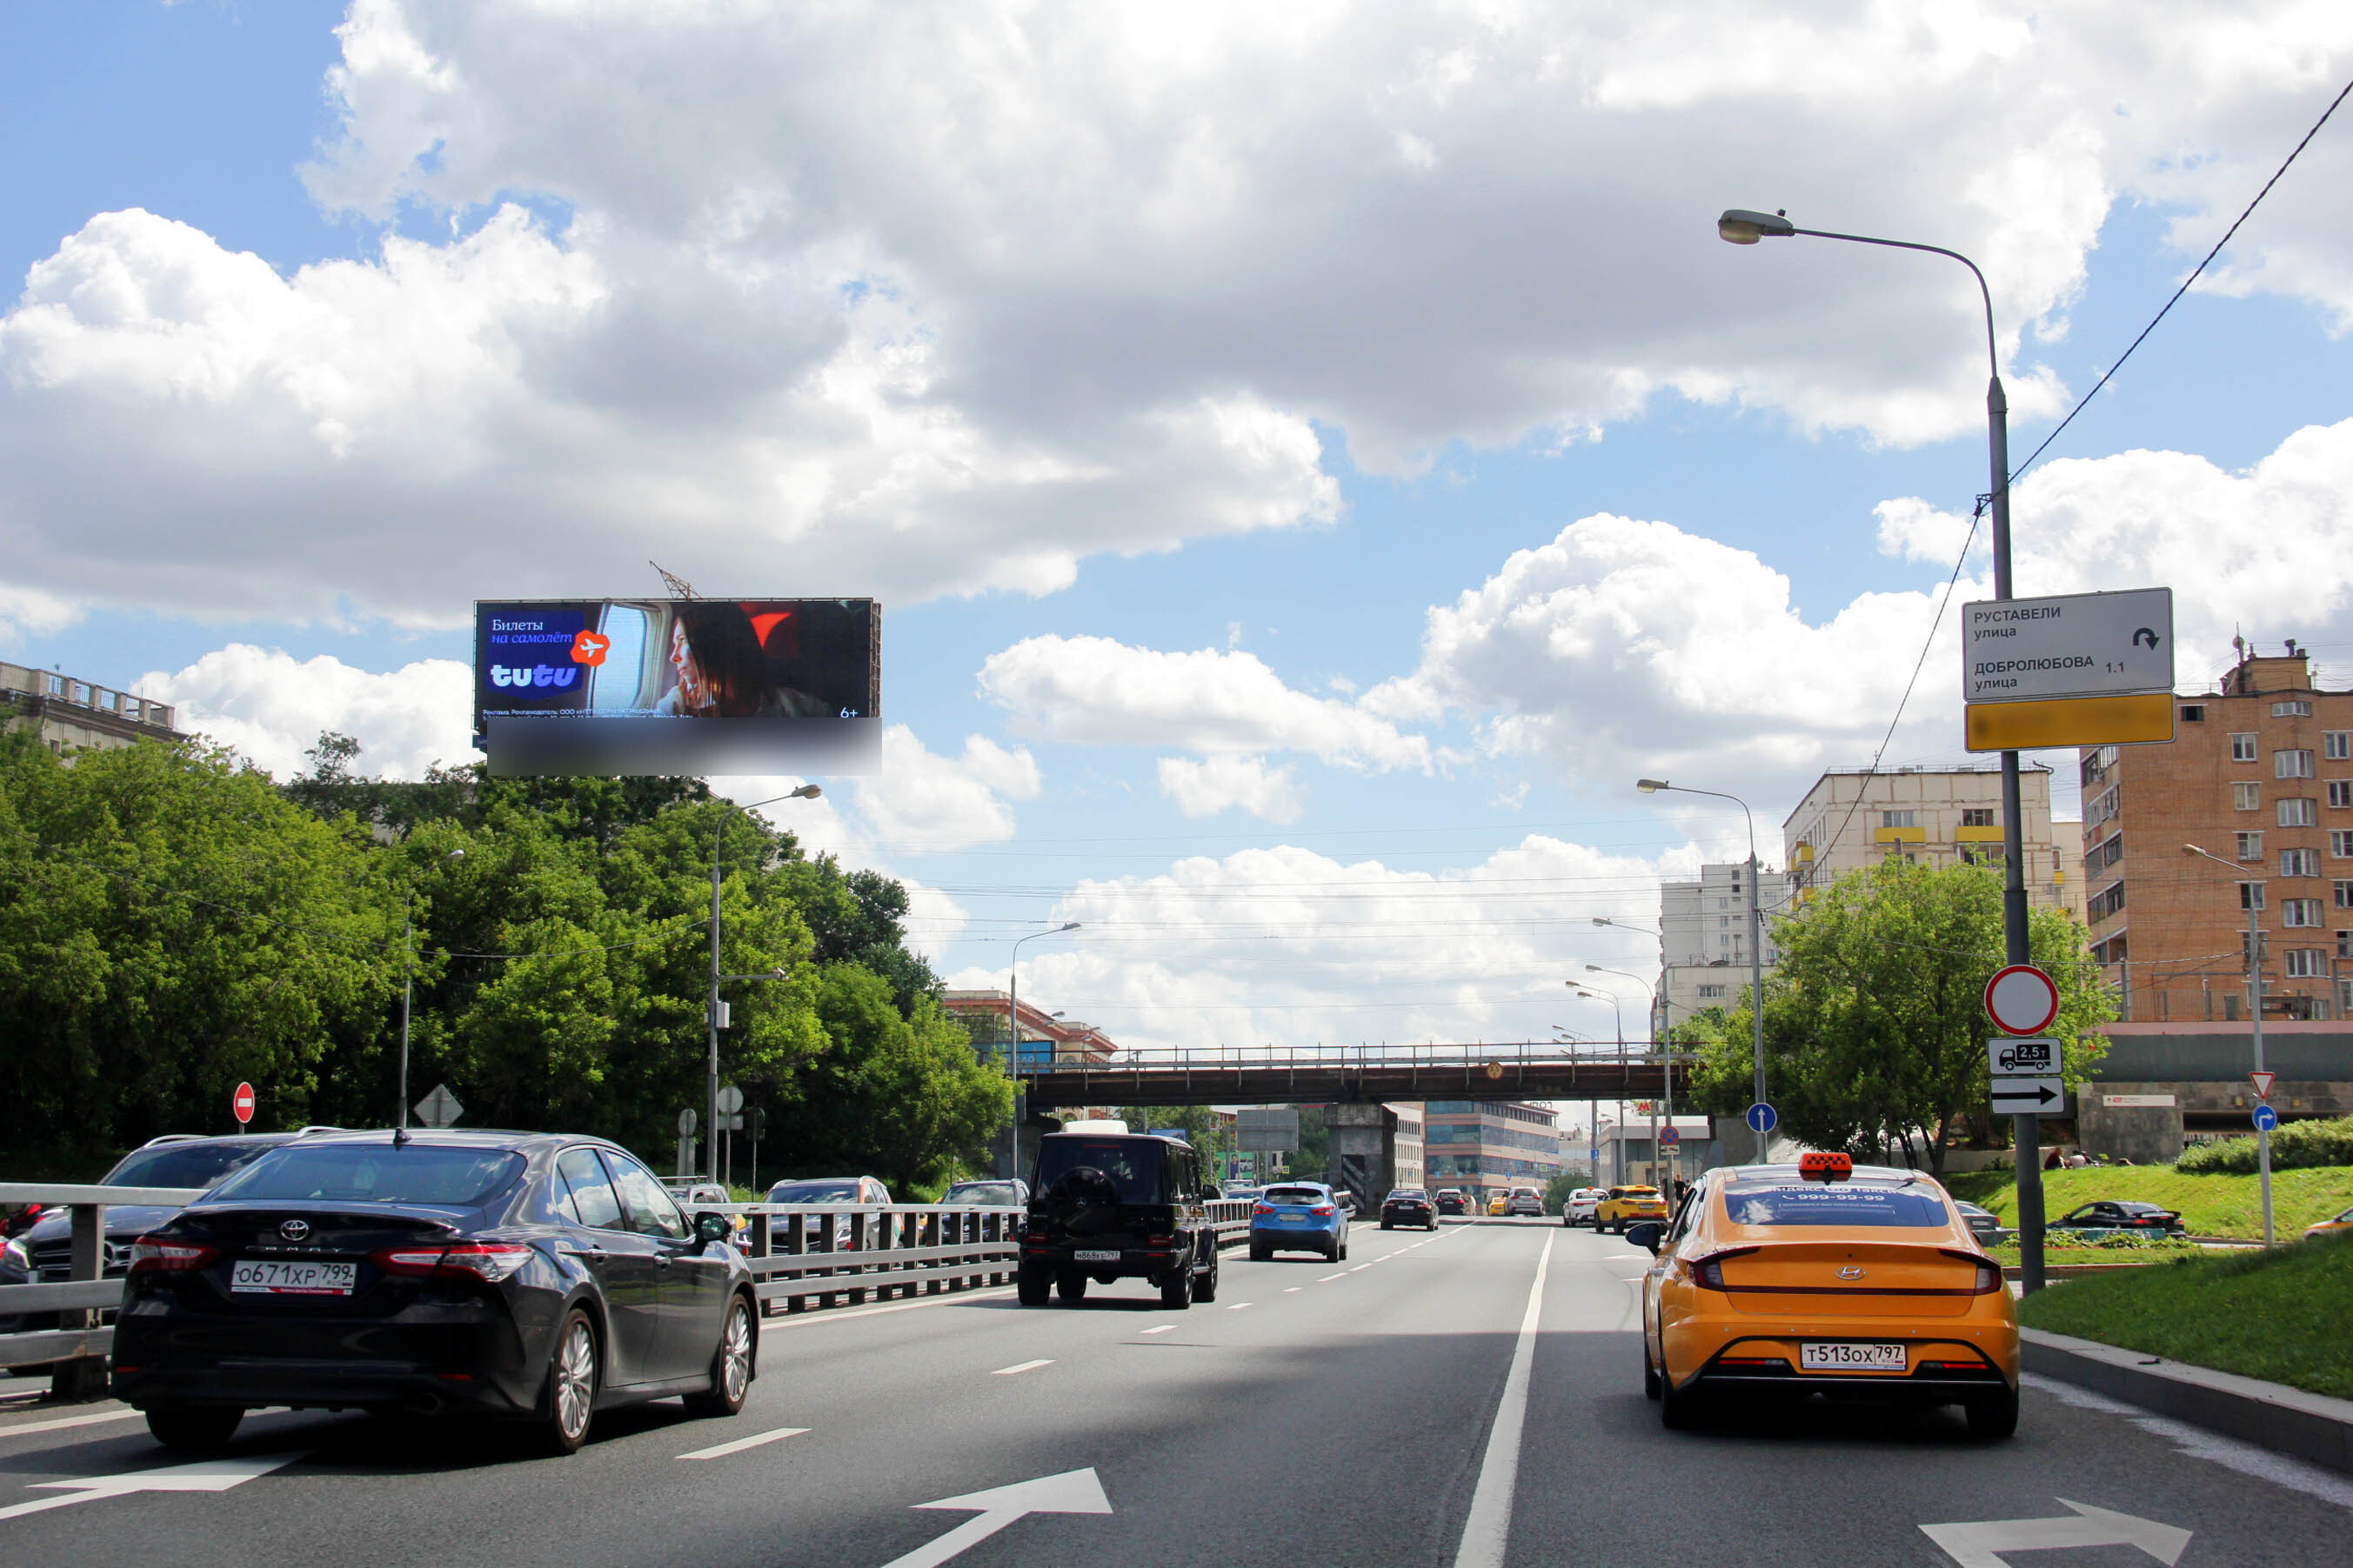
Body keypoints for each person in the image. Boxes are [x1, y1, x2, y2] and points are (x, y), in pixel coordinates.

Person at [657, 603, 830, 717]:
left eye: (682, 640)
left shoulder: (805, 710)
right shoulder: (674, 707)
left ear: (718, 643)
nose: (674, 657)